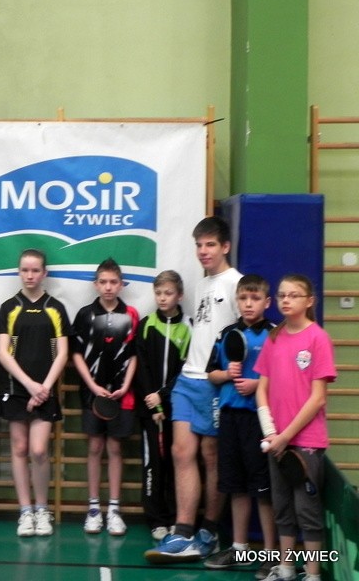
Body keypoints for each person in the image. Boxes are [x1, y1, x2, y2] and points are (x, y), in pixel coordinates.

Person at [146, 215, 241, 562]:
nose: (203, 251)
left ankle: (209, 532)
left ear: (225, 246)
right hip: (187, 380)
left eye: (210, 244)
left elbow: (245, 335)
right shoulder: (202, 284)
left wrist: (228, 375)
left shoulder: (236, 283)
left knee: (211, 456)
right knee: (180, 452)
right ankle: (183, 532)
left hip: (215, 384)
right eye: (199, 245)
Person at [255, 274, 336, 581]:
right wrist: (270, 432)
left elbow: (318, 398)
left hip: (306, 442)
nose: (286, 300)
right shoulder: (274, 337)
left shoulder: (318, 338)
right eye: (281, 295)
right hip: (276, 440)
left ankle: (312, 574)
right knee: (282, 509)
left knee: (307, 512)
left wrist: (286, 436)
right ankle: (287, 568)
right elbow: (262, 389)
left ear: (309, 301)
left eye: (293, 295)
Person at [203, 274, 277, 575]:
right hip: (230, 418)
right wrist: (227, 374)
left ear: (266, 302)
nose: (248, 304)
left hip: (259, 420)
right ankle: (239, 548)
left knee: (263, 488)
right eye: (243, 298)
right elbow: (211, 373)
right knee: (236, 486)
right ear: (237, 301)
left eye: (255, 298)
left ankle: (271, 554)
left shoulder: (274, 335)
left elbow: (283, 379)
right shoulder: (226, 334)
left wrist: (256, 384)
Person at [0, 248, 70, 537]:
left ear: (44, 273)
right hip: (17, 388)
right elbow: (2, 353)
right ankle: (25, 511)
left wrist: (45, 388)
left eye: (35, 270)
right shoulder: (9, 307)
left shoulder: (56, 308)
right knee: (19, 449)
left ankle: (42, 509)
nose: (30, 275)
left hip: (45, 390)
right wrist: (29, 385)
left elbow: (62, 353)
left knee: (39, 450)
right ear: (19, 272)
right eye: (25, 270)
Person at [71, 257, 140, 536]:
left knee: (114, 448)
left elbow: (133, 355)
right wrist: (91, 385)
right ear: (95, 284)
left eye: (113, 282)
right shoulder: (85, 314)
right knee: (95, 448)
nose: (108, 287)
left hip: (121, 394)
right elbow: (76, 354)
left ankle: (113, 510)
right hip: (93, 395)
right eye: (103, 282)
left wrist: (126, 385)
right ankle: (93, 509)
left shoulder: (130, 315)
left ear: (121, 284)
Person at [133, 270, 191, 541]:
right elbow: (142, 368)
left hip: (177, 408)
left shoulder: (189, 327)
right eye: (158, 293)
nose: (162, 298)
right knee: (153, 464)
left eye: (168, 293)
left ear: (179, 295)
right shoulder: (146, 325)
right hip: (150, 411)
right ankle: (156, 519)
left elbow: (186, 369)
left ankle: (174, 517)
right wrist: (152, 402)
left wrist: (164, 396)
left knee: (176, 463)